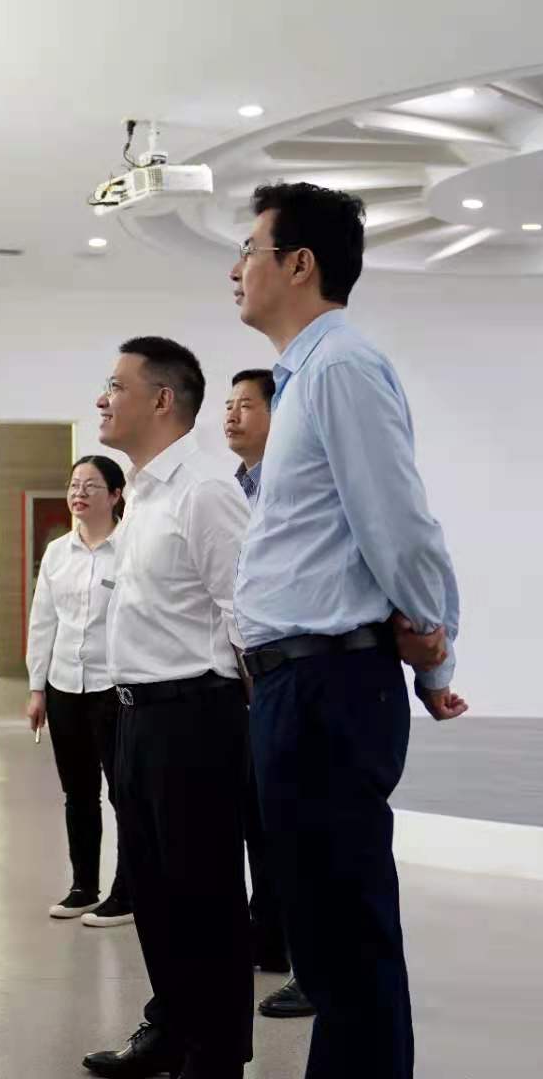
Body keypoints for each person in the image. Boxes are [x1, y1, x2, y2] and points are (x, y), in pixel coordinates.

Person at [229, 182, 465, 1079]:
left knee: (348, 936)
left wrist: (434, 646)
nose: (236, 270)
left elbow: (398, 524)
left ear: (299, 264)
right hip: (296, 683)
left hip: (328, 685)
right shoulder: (305, 379)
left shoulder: (341, 369)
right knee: (326, 938)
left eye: (249, 250)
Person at [81, 338, 252, 1079]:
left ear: (161, 400)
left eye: (116, 386)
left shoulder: (204, 491)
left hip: (194, 716)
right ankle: (173, 1026)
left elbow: (246, 615)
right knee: (152, 889)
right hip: (136, 716)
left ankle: (216, 1054)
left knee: (204, 894)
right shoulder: (144, 495)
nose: (102, 399)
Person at [223, 368, 312, 1021]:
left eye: (246, 405)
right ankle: (274, 935)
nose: (232, 415)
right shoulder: (239, 490)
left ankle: (314, 965)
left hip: (296, 673)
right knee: (263, 818)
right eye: (228, 405)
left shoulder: (294, 488)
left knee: (303, 830)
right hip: (253, 678)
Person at [26, 455, 132, 929]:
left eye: (91, 485)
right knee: (78, 793)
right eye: (74, 485)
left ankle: (127, 893)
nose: (79, 493)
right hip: (65, 684)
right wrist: (37, 688)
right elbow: (43, 622)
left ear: (115, 495)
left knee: (125, 794)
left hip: (114, 687)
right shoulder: (57, 553)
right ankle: (83, 886)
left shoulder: (129, 549)